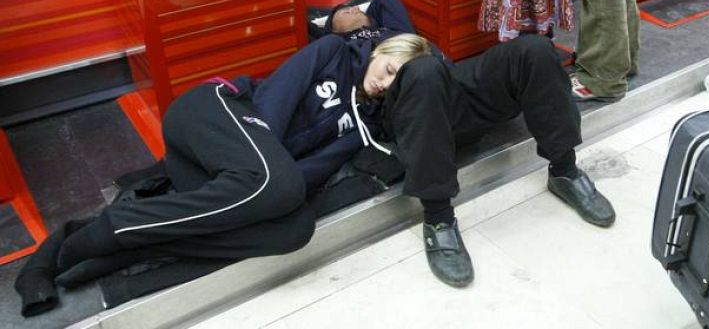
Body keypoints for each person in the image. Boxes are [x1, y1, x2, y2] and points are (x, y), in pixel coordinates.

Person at [14, 32, 430, 316]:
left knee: (297, 229)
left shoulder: (363, 127)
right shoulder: (334, 51)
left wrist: (271, 185)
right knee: (277, 183)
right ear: (381, 51)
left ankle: (129, 243)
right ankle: (116, 229)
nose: (383, 84)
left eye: (396, 86)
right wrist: (269, 174)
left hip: (228, 175)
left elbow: (307, 177)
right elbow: (271, 106)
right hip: (214, 114)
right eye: (390, 70)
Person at [325, 0, 615, 289]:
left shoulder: (395, 32)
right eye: (342, 14)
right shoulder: (338, 48)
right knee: (423, 71)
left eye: (355, 9)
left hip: (453, 83)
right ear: (333, 29)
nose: (350, 11)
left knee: (534, 49)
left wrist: (369, 15)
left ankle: (564, 171)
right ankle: (438, 219)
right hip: (406, 103)